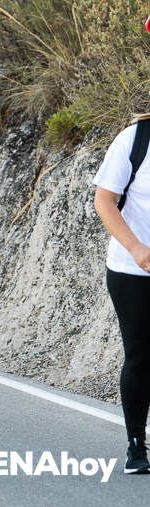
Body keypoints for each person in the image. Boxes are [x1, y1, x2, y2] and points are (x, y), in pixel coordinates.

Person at [93, 113, 150, 474]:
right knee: (142, 356)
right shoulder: (136, 138)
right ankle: (136, 445)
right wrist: (137, 248)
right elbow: (105, 201)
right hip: (134, 270)